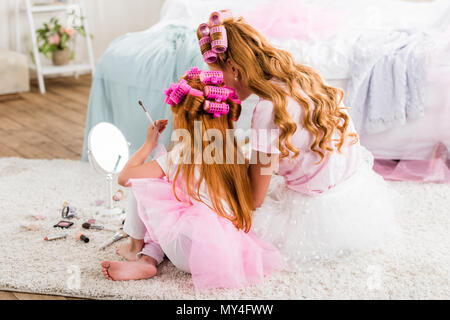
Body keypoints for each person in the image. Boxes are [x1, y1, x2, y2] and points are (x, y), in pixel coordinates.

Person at [196, 10, 399, 269]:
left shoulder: (267, 109)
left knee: (229, 220)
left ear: (234, 69)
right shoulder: (303, 77)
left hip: (316, 219)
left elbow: (255, 198)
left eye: (217, 75)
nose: (218, 85)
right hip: (357, 198)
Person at [101, 70, 284, 290]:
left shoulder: (180, 155)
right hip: (224, 252)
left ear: (183, 120)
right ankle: (149, 258)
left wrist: (149, 144)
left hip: (188, 251)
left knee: (145, 185)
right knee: (172, 198)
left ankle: (135, 248)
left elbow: (125, 177)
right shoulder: (234, 153)